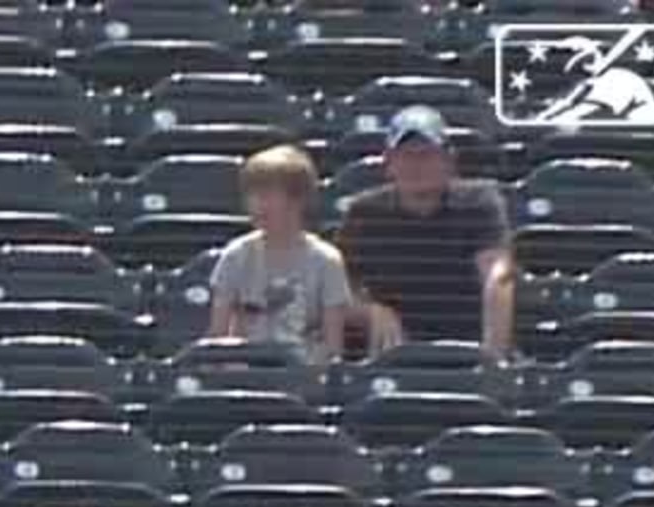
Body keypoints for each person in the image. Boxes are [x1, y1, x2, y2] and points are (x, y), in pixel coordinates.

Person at [335, 105, 515, 357]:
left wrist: (493, 358)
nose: (416, 165)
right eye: (407, 155)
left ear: (449, 160)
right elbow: (336, 287)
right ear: (388, 163)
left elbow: (498, 276)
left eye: (427, 154)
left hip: (466, 347)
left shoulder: (479, 202)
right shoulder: (364, 213)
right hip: (390, 354)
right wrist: (369, 311)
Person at [207, 144, 352, 364]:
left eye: (265, 195)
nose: (256, 205)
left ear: (298, 200)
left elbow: (333, 348)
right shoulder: (235, 256)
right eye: (252, 195)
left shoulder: (327, 261)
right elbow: (218, 335)